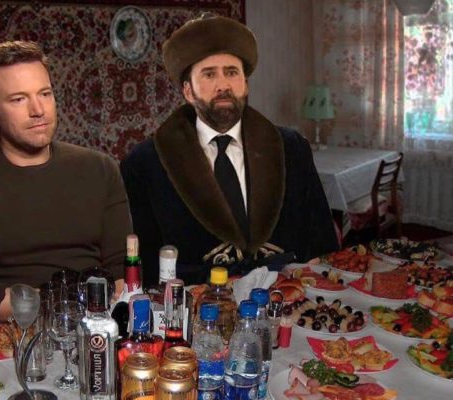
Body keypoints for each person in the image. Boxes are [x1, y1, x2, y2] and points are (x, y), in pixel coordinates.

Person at [0, 41, 131, 328]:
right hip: (5, 337)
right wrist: (60, 306)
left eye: (45, 94)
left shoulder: (100, 169)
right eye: (18, 99)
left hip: (94, 327)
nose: (38, 110)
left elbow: (122, 272)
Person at [121, 14, 339, 286]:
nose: (223, 85)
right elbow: (144, 266)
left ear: (245, 84)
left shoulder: (292, 149)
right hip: (196, 304)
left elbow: (322, 244)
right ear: (188, 90)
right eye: (209, 74)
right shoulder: (146, 163)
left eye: (232, 72)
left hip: (287, 297)